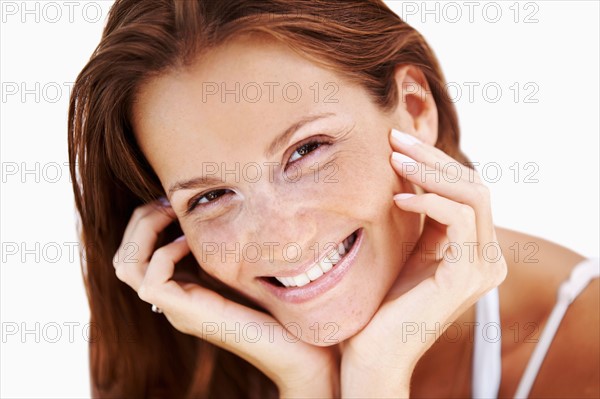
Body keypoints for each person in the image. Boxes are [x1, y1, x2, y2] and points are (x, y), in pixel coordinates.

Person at [67, 0, 599, 397]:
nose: (283, 238)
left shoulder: (583, 345)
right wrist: (309, 382)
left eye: (307, 151)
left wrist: (377, 375)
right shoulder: (163, 352)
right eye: (211, 196)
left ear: (415, 109)